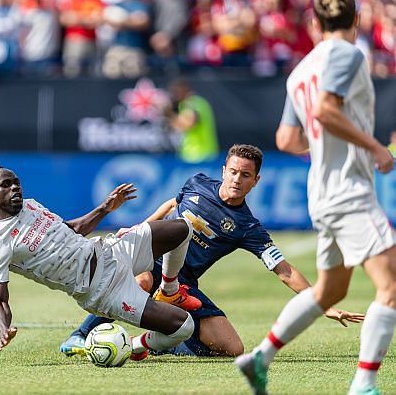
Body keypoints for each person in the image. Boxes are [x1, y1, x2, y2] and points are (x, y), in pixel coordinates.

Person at [60, 144, 364, 357]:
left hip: (184, 283)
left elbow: (284, 271)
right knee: (142, 282)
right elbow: (171, 205)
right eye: (233, 172)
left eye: (245, 175)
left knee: (231, 348)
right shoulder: (197, 183)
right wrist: (140, 228)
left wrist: (324, 305)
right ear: (224, 169)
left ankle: (157, 345)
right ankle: (81, 334)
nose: (237, 179)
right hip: (152, 260)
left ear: (255, 181)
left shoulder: (248, 227)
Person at [235, 0, 396, 394]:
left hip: (321, 193)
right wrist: (374, 147)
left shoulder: (300, 70)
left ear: (313, 21)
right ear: (357, 19)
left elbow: (287, 139)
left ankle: (260, 357)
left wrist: (326, 141)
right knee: (391, 286)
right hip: (348, 190)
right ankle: (364, 384)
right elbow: (326, 110)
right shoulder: (348, 53)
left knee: (330, 291)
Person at [0, 166, 203, 360]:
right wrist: (3, 329)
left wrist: (105, 207)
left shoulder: (31, 205)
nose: (15, 188)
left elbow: (72, 230)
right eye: (6, 185)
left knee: (182, 228)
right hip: (104, 291)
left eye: (16, 183)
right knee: (184, 327)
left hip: (111, 251)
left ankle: (170, 289)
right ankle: (135, 346)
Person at [164, 78, 219, 163]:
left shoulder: (193, 103)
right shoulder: (187, 104)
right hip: (192, 155)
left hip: (199, 155)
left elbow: (189, 124)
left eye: (176, 92)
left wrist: (170, 114)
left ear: (184, 90)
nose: (174, 95)